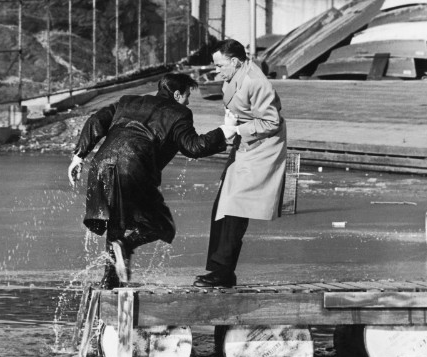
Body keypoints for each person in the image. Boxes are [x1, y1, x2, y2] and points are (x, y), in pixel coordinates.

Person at [68, 73, 235, 289]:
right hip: (133, 168)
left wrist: (79, 156)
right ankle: (126, 246)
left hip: (100, 167)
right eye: (186, 97)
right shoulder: (179, 113)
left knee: (116, 224)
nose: (187, 102)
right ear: (177, 94)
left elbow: (95, 120)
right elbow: (194, 147)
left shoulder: (128, 101)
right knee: (163, 226)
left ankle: (109, 281)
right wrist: (224, 131)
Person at [193, 39, 288, 288]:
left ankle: (222, 271)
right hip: (245, 145)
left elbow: (271, 122)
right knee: (221, 206)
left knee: (235, 208)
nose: (217, 71)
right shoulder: (236, 74)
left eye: (219, 66)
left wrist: (237, 129)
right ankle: (218, 269)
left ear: (234, 61)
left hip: (261, 147)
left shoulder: (255, 81)